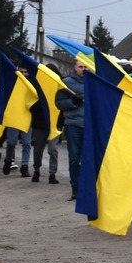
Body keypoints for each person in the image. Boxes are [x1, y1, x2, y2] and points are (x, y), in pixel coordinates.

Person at [55, 61, 86, 201]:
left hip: (89, 125)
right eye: (80, 66)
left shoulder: (92, 82)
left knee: (88, 159)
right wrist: (73, 102)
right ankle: (75, 187)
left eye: (85, 67)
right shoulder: (66, 83)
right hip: (73, 125)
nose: (83, 69)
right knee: (74, 158)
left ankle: (86, 187)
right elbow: (59, 103)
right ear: (74, 67)